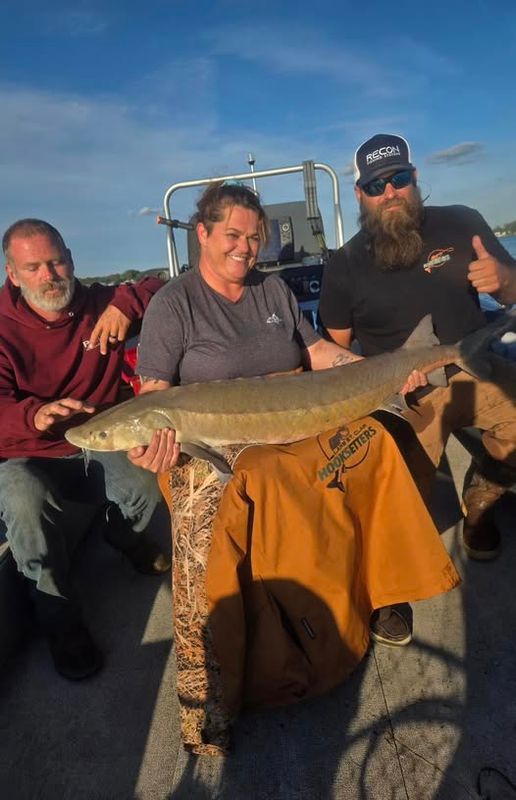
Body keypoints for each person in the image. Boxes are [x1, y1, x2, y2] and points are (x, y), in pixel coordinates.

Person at [126, 182, 460, 752]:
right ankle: (211, 695)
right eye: (232, 235)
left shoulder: (273, 289)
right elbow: (154, 391)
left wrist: (381, 369)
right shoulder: (172, 304)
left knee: (378, 444)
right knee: (205, 526)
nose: (245, 248)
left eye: (255, 238)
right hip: (210, 438)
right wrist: (146, 441)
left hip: (295, 414)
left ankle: (380, 593)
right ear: (201, 234)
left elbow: (316, 354)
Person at [319, 132, 516, 562]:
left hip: (472, 369)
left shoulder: (463, 222)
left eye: (399, 178)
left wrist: (504, 281)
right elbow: (331, 354)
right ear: (359, 194)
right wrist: (381, 382)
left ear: (415, 177)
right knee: (398, 516)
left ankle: (484, 492)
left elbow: (511, 292)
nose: (389, 193)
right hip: (400, 395)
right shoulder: (343, 264)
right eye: (375, 185)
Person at [0, 219, 168, 680]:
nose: (49, 275)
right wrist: (33, 415)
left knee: (147, 479)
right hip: (28, 452)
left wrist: (124, 303)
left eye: (56, 261)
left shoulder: (98, 302)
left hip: (100, 437)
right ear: (13, 274)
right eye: (34, 267)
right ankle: (61, 623)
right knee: (22, 500)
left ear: (71, 259)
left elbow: (163, 287)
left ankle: (124, 536)